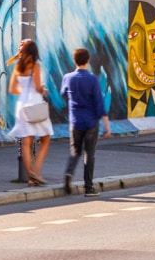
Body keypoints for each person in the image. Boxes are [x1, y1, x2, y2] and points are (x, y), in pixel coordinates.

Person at [60, 48, 112, 197]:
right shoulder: (92, 79)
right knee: (89, 154)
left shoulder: (68, 78)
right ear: (87, 61)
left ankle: (69, 173)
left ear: (74, 61)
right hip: (91, 122)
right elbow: (99, 103)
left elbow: (64, 93)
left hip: (75, 121)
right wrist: (106, 124)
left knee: (74, 151)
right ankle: (89, 187)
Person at [8, 40, 53, 186]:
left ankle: (31, 177)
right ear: (35, 52)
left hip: (22, 106)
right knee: (45, 139)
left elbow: (13, 90)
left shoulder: (18, 68)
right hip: (35, 105)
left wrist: (24, 91)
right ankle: (36, 171)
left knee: (26, 142)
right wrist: (43, 91)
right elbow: (38, 87)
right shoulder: (35, 66)